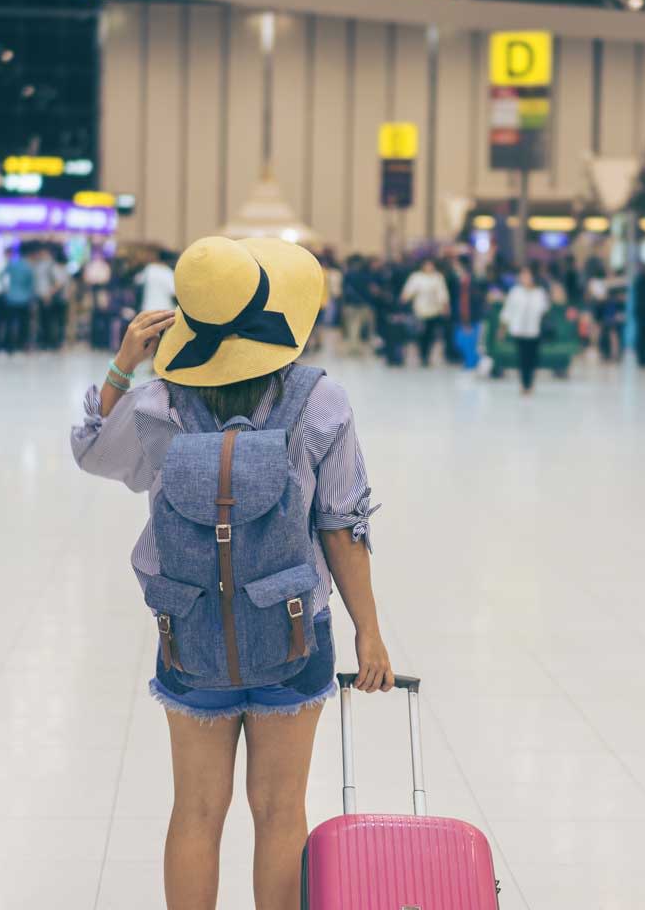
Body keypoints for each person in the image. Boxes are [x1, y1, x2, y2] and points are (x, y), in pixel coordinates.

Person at [72, 236, 393, 910]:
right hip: (292, 634)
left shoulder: (162, 401)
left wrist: (122, 366)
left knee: (195, 812)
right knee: (280, 812)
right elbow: (342, 523)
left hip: (191, 633)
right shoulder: (319, 400)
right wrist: (370, 632)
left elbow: (94, 453)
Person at [500, 266, 550, 395]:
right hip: (519, 331)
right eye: (523, 275)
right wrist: (503, 328)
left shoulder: (539, 292)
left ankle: (530, 382)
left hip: (534, 331)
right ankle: (524, 383)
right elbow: (508, 311)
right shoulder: (515, 292)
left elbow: (545, 310)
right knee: (522, 358)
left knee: (532, 358)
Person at [400, 258, 450, 367]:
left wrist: (445, 306)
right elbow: (408, 290)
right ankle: (422, 355)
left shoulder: (437, 277)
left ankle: (427, 355)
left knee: (431, 334)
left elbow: (442, 292)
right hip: (420, 310)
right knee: (420, 334)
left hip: (434, 310)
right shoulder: (416, 277)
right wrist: (405, 298)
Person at [0, 245, 37, 353]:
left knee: (10, 324)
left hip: (11, 299)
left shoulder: (12, 265)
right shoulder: (28, 268)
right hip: (24, 300)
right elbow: (32, 285)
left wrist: (6, 289)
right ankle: (22, 345)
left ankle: (10, 347)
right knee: (24, 325)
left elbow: (0, 276)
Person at [449, 259, 486, 371]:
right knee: (459, 341)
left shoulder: (475, 282)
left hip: (472, 317)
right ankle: (472, 361)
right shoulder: (456, 282)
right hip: (460, 316)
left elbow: (479, 300)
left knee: (470, 342)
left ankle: (472, 363)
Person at [339, 255, 376, 356]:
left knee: (353, 327)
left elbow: (344, 291)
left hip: (351, 304)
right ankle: (357, 348)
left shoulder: (348, 275)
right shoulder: (366, 276)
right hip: (364, 304)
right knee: (362, 327)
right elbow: (371, 290)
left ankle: (354, 348)